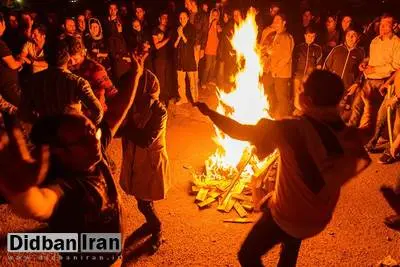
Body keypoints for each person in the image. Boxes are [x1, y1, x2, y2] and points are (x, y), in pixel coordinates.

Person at [195, 70, 371, 267]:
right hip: (317, 218)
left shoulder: (291, 129)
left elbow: (240, 131)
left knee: (247, 255)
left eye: (301, 88)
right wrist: (370, 103)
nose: (298, 90)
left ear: (307, 100)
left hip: (287, 217)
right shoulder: (343, 131)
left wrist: (210, 113)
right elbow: (367, 131)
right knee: (291, 245)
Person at [0, 58, 143, 267]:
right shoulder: (68, 185)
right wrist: (23, 192)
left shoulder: (94, 150)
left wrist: (136, 74)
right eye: (82, 139)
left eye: (91, 131)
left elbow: (115, 113)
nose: (92, 140)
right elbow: (41, 204)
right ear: (60, 152)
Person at [119, 62, 170, 254]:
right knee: (142, 199)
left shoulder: (159, 111)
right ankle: (151, 224)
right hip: (136, 159)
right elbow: (118, 129)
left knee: (144, 201)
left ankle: (156, 228)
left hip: (150, 162)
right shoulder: (132, 106)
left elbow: (146, 139)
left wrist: (123, 127)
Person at [19, 40, 103, 125]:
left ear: (45, 57)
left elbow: (23, 112)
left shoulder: (33, 80)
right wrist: (85, 126)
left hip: (46, 133)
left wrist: (40, 125)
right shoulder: (78, 82)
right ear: (68, 57)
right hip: (71, 133)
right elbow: (98, 111)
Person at [347, 14, 400, 130]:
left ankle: (363, 137)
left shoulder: (396, 43)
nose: (383, 27)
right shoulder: (375, 41)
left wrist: (375, 69)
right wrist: (365, 63)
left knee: (369, 111)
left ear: (393, 26)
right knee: (356, 106)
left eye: (386, 25)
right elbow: (372, 58)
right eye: (381, 24)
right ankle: (349, 133)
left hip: (382, 81)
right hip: (368, 79)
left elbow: (396, 66)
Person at [63, 36, 117, 113]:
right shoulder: (68, 68)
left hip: (95, 116)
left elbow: (112, 93)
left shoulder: (95, 69)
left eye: (75, 59)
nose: (71, 62)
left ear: (82, 53)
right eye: (69, 59)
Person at [323, 27, 365, 121]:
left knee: (341, 115)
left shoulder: (360, 53)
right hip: (332, 87)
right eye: (348, 35)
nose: (351, 37)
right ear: (345, 37)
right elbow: (326, 66)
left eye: (353, 35)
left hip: (347, 89)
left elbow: (362, 72)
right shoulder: (337, 49)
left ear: (357, 37)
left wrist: (356, 84)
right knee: (327, 111)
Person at [260, 13, 294, 119]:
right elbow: (264, 49)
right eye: (274, 20)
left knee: (282, 98)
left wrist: (276, 69)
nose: (275, 22)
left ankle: (285, 121)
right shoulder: (272, 35)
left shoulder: (286, 37)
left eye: (278, 20)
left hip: (281, 73)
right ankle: (270, 115)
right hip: (269, 71)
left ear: (284, 23)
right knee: (267, 93)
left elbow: (286, 56)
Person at [292, 26, 322, 112]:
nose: (310, 38)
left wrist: (311, 75)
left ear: (315, 37)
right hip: (298, 76)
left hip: (309, 79)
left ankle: (302, 117)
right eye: (309, 36)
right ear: (305, 36)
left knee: (305, 99)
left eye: (313, 36)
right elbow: (293, 63)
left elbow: (319, 66)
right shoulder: (299, 47)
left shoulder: (318, 49)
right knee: (296, 98)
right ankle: (296, 116)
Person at [0, 13, 22, 116]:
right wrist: (20, 61)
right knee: (19, 112)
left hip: (5, 86)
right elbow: (12, 65)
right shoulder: (0, 44)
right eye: (4, 21)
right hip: (7, 87)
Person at [174, 11, 198, 105]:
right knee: (180, 82)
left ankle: (195, 100)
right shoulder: (177, 29)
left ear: (188, 18)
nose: (182, 19)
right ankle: (183, 98)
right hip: (179, 59)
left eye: (184, 17)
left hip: (189, 59)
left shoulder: (192, 28)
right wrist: (179, 35)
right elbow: (175, 45)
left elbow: (190, 43)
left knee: (192, 81)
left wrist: (182, 34)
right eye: (180, 18)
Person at [152, 12, 172, 105]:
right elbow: (157, 46)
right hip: (159, 58)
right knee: (160, 79)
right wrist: (168, 39)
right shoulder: (155, 30)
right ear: (159, 19)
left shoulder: (169, 29)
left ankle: (166, 97)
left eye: (167, 18)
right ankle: (160, 99)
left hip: (168, 58)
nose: (165, 19)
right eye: (163, 17)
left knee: (167, 78)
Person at [201, 8, 222, 89]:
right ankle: (203, 82)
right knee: (208, 66)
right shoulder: (208, 23)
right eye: (214, 15)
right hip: (209, 48)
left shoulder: (218, 24)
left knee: (213, 66)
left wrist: (219, 30)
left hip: (215, 48)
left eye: (217, 15)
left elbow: (220, 35)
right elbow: (205, 33)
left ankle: (209, 80)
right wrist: (212, 24)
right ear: (211, 15)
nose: (215, 17)